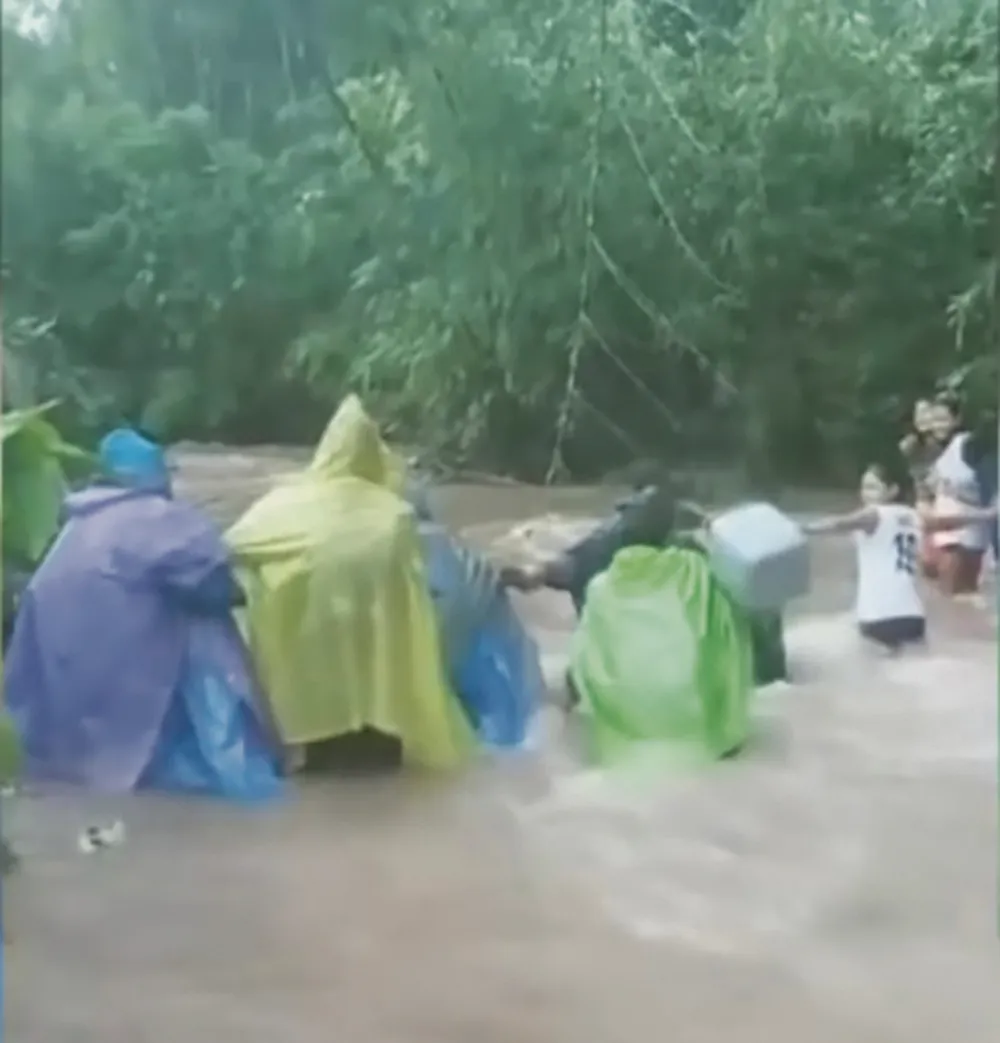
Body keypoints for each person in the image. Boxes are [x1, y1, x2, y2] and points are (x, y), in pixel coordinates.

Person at [4, 428, 283, 797]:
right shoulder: (165, 520)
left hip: (65, 673)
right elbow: (216, 585)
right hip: (134, 668)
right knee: (206, 628)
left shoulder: (77, 525)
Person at [804, 457, 996, 652]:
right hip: (913, 617)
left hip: (877, 617)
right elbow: (951, 522)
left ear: (892, 490)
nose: (864, 494)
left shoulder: (873, 514)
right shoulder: (915, 516)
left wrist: (802, 529)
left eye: (872, 487)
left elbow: (839, 523)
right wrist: (988, 514)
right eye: (863, 487)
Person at [927, 395, 990, 595]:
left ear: (957, 419)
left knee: (959, 597)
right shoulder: (931, 448)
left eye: (943, 419)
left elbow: (986, 496)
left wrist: (954, 491)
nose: (937, 425)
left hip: (968, 536)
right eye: (934, 419)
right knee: (948, 598)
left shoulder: (969, 446)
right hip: (942, 534)